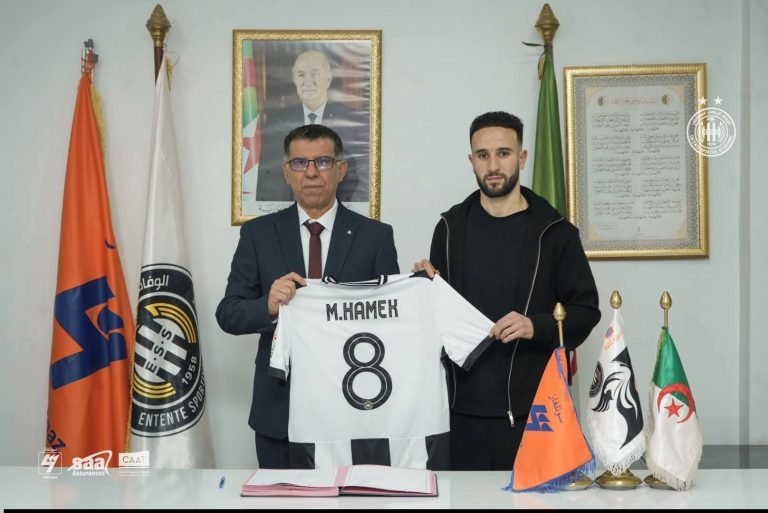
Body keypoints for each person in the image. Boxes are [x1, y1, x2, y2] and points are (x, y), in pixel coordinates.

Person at [413, 111, 600, 470]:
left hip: (537, 413)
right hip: (458, 413)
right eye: (483, 155)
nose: (493, 165)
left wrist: (536, 326)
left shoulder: (556, 232)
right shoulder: (449, 228)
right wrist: (424, 287)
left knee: (534, 500)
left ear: (522, 157)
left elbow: (586, 312)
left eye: (503, 153)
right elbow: (438, 320)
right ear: (472, 161)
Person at [217, 124, 399, 469]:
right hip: (278, 410)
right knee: (281, 496)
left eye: (323, 162)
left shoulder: (375, 237)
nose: (312, 172)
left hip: (352, 407)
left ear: (341, 169)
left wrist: (423, 286)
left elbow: (391, 321)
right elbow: (228, 313)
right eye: (300, 163)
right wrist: (268, 306)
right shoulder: (258, 235)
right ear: (287, 172)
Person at [256, 50, 370, 203]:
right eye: (301, 75)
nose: (307, 81)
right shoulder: (277, 122)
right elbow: (268, 180)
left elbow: (364, 181)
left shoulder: (353, 122)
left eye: (314, 73)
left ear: (328, 78)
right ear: (294, 79)